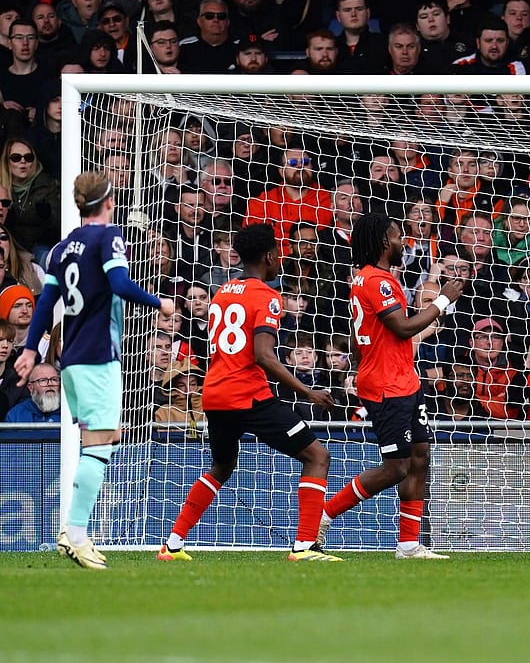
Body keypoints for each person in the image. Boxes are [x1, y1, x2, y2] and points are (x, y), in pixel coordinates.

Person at [13, 172, 173, 570]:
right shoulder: (108, 236)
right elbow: (120, 283)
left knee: (105, 437)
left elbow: (46, 301)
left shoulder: (62, 248)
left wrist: (31, 350)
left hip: (71, 358)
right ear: (109, 201)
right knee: (99, 445)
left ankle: (74, 531)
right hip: (98, 356)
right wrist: (160, 303)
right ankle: (76, 533)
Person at [156, 223, 339, 563]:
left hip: (215, 394)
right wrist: (307, 392)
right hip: (248, 396)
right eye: (277, 253)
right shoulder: (268, 297)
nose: (279, 258)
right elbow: (264, 355)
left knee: (222, 466)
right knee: (317, 457)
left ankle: (173, 544)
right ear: (269, 256)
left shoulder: (223, 292)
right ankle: (305, 546)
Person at [317, 212, 464, 560]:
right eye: (398, 237)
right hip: (387, 386)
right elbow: (402, 327)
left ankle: (409, 545)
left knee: (420, 456)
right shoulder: (376, 281)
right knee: (396, 467)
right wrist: (442, 300)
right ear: (385, 241)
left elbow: (370, 333)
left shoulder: (373, 279)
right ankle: (324, 515)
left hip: (404, 380)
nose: (403, 242)